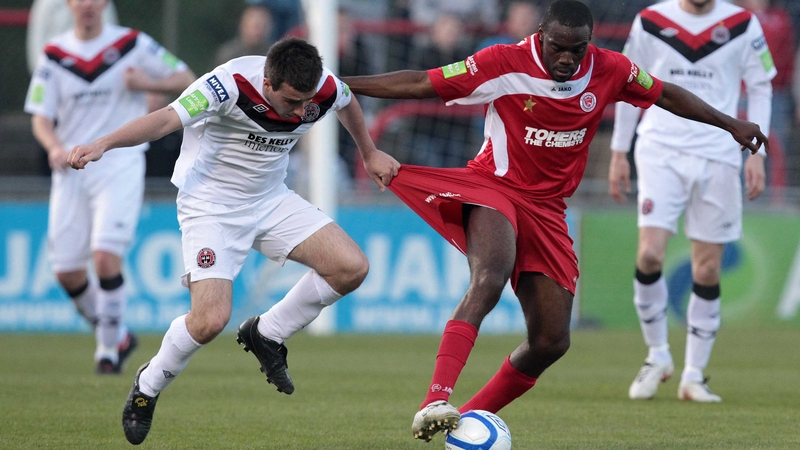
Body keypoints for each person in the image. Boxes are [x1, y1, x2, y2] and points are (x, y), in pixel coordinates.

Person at [341, 0, 768, 442]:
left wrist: (729, 123)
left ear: (590, 43)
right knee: (490, 275)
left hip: (548, 209)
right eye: (558, 47)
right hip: (495, 186)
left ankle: (461, 421)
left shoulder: (611, 69)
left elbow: (667, 93)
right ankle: (435, 399)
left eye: (577, 50)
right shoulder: (501, 62)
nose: (567, 58)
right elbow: (419, 82)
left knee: (550, 341)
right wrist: (339, 85)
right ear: (540, 34)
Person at [67, 37, 400, 445]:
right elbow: (163, 120)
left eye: (306, 103)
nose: (301, 112)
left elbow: (346, 103)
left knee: (351, 267)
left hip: (270, 199)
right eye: (292, 103)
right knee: (209, 321)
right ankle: (148, 386)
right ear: (267, 83)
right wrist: (103, 144)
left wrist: (368, 153)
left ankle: (267, 332)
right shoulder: (224, 85)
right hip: (210, 206)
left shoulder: (324, 87)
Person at [608, 0, 775, 403]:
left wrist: (758, 153)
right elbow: (628, 84)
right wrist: (618, 151)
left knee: (707, 266)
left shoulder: (742, 23)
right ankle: (657, 355)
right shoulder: (650, 21)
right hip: (660, 149)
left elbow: (761, 86)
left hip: (720, 153)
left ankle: (694, 375)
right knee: (649, 254)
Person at [24, 0, 195, 374]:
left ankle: (106, 354)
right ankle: (118, 335)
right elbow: (40, 117)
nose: (87, 5)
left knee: (104, 257)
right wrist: (53, 147)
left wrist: (144, 83)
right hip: (71, 168)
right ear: (68, 4)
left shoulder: (133, 43)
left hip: (119, 162)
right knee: (68, 272)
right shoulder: (53, 55)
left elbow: (186, 79)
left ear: (104, 3)